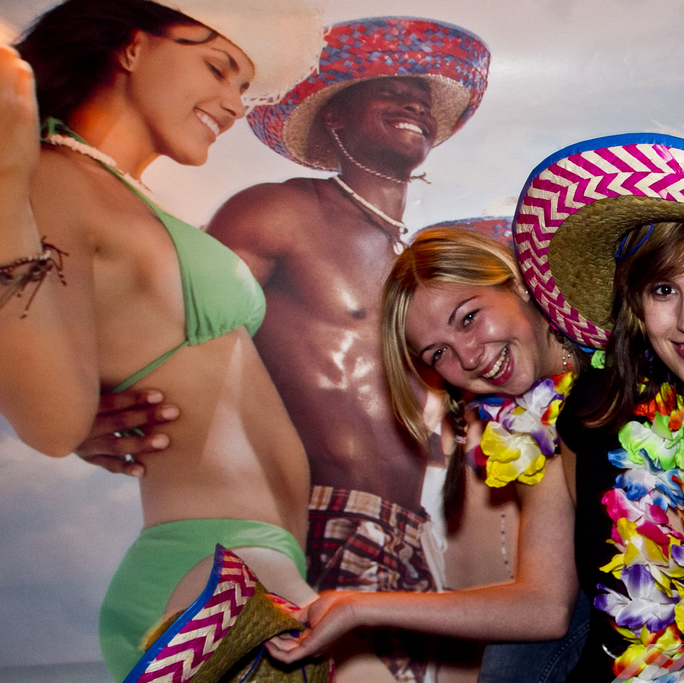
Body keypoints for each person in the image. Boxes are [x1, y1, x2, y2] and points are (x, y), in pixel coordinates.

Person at [267, 135, 684, 681]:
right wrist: (358, 604)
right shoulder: (578, 419)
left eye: (469, 317)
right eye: (437, 354)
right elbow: (545, 603)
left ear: (519, 285)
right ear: (635, 304)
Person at [74, 17, 492, 683]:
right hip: (309, 529)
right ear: (334, 117)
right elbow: (161, 317)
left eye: (422, 95)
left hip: (411, 543)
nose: (415, 101)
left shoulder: (421, 274)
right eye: (390, 89)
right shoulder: (279, 212)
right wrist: (84, 411)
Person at [0, 0, 323, 679]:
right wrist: (5, 179)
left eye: (244, 86)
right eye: (218, 68)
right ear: (131, 46)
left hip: (263, 560)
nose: (234, 104)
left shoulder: (119, 191)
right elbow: (52, 422)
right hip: (212, 570)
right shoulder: (53, 175)